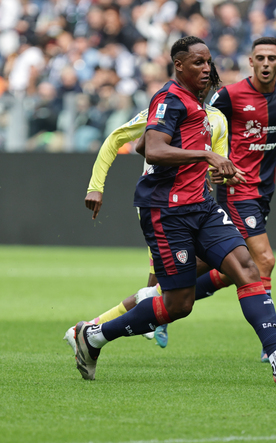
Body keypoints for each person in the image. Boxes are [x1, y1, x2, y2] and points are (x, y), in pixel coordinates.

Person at [73, 36, 276, 387]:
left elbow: (210, 158)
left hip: (203, 207)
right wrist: (208, 156)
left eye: (208, 61)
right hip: (166, 211)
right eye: (197, 62)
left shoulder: (206, 111)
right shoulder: (168, 99)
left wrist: (221, 168)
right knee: (179, 303)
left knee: (248, 267)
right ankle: (93, 337)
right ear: (179, 65)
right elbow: (151, 149)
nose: (207, 68)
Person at [64, 62, 230, 350]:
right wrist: (95, 186)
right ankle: (93, 329)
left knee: (185, 280)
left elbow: (218, 166)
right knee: (162, 288)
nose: (204, 80)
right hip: (162, 205)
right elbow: (117, 138)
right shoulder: (166, 107)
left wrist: (223, 175)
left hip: (197, 207)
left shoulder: (217, 121)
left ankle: (96, 329)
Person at [194, 37, 276, 362]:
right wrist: (211, 164)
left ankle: (163, 298)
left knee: (227, 270)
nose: (266, 63)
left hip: (263, 190)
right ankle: (273, 347)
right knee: (264, 259)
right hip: (236, 187)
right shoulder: (230, 95)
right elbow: (202, 132)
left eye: (272, 58)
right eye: (260, 58)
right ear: (250, 61)